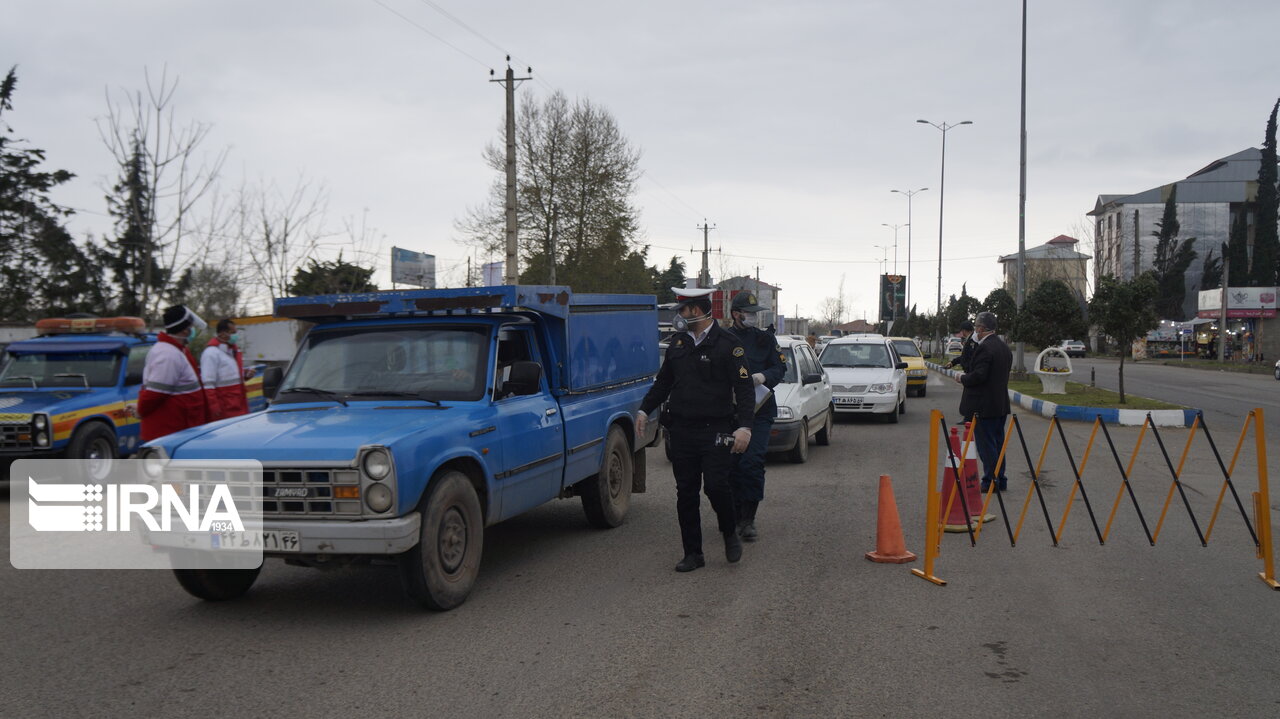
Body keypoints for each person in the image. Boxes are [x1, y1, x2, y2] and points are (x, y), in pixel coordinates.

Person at [637, 287, 754, 572]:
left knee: (716, 487)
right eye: (679, 310)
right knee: (685, 492)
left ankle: (729, 533)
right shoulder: (678, 344)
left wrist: (745, 428)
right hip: (682, 430)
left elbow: (744, 387)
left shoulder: (728, 343)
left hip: (716, 429)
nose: (680, 316)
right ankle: (693, 553)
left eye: (685, 311)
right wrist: (644, 409)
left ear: (701, 310)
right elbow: (663, 382)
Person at [725, 291, 787, 542]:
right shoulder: (722, 339)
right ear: (735, 314)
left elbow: (780, 367)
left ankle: (748, 519)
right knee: (729, 467)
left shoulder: (765, 339)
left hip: (760, 411)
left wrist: (763, 377)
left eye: (755, 313)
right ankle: (731, 515)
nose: (753, 317)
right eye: (748, 313)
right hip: (728, 412)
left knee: (751, 463)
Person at [954, 311, 1013, 493]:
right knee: (997, 444)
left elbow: (979, 376)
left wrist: (962, 377)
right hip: (1000, 404)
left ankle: (990, 481)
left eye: (977, 328)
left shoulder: (985, 348)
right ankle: (1000, 479)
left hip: (983, 406)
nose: (976, 332)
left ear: (981, 328)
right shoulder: (1003, 347)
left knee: (986, 446)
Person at [136, 305, 211, 442]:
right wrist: (140, 411)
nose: (192, 330)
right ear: (183, 331)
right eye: (190, 327)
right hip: (170, 432)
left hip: (180, 428)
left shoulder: (176, 351)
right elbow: (155, 394)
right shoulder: (168, 354)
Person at [201, 319, 254, 421]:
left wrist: (245, 375)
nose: (235, 335)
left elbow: (230, 374)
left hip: (237, 402)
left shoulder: (232, 350)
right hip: (225, 406)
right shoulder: (211, 353)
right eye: (232, 333)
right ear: (222, 333)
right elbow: (208, 384)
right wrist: (214, 406)